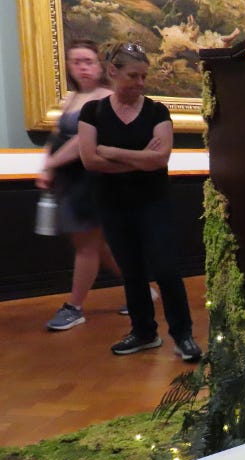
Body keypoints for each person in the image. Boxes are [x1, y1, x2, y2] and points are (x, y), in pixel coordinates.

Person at [78, 42, 201, 361]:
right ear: (113, 71)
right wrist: (140, 157)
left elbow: (160, 159)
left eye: (144, 76)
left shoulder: (157, 111)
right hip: (113, 205)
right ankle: (144, 332)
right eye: (134, 75)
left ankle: (183, 335)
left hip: (153, 203)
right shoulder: (93, 112)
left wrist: (115, 153)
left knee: (166, 269)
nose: (141, 83)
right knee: (132, 272)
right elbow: (90, 160)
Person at [37, 39, 124, 331]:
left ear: (100, 66)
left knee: (86, 246)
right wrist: (46, 166)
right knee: (98, 245)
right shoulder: (71, 99)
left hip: (91, 183)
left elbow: (80, 142)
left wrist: (50, 165)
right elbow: (57, 136)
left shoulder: (105, 99)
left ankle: (74, 307)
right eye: (76, 62)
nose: (83, 67)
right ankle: (142, 288)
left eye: (88, 61)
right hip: (70, 183)